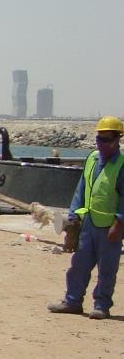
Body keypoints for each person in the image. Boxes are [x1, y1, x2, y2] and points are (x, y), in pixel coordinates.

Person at [48, 116, 124, 319]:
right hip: (87, 224)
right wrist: (73, 218)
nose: (101, 143)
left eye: (106, 139)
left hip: (109, 227)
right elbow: (80, 191)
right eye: (99, 138)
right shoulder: (92, 159)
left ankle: (102, 305)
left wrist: (119, 223)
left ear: (118, 139)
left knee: (107, 268)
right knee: (79, 264)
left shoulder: (122, 165)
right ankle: (72, 301)